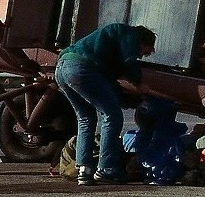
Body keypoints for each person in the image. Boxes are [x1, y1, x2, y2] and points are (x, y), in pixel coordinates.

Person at [54, 23, 156, 185]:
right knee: (112, 116)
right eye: (146, 52)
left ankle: (84, 170)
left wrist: (131, 102)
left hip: (62, 68)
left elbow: (109, 84)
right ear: (144, 42)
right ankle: (107, 169)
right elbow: (130, 62)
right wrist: (139, 84)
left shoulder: (108, 51)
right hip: (81, 68)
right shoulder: (129, 33)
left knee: (86, 118)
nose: (142, 56)